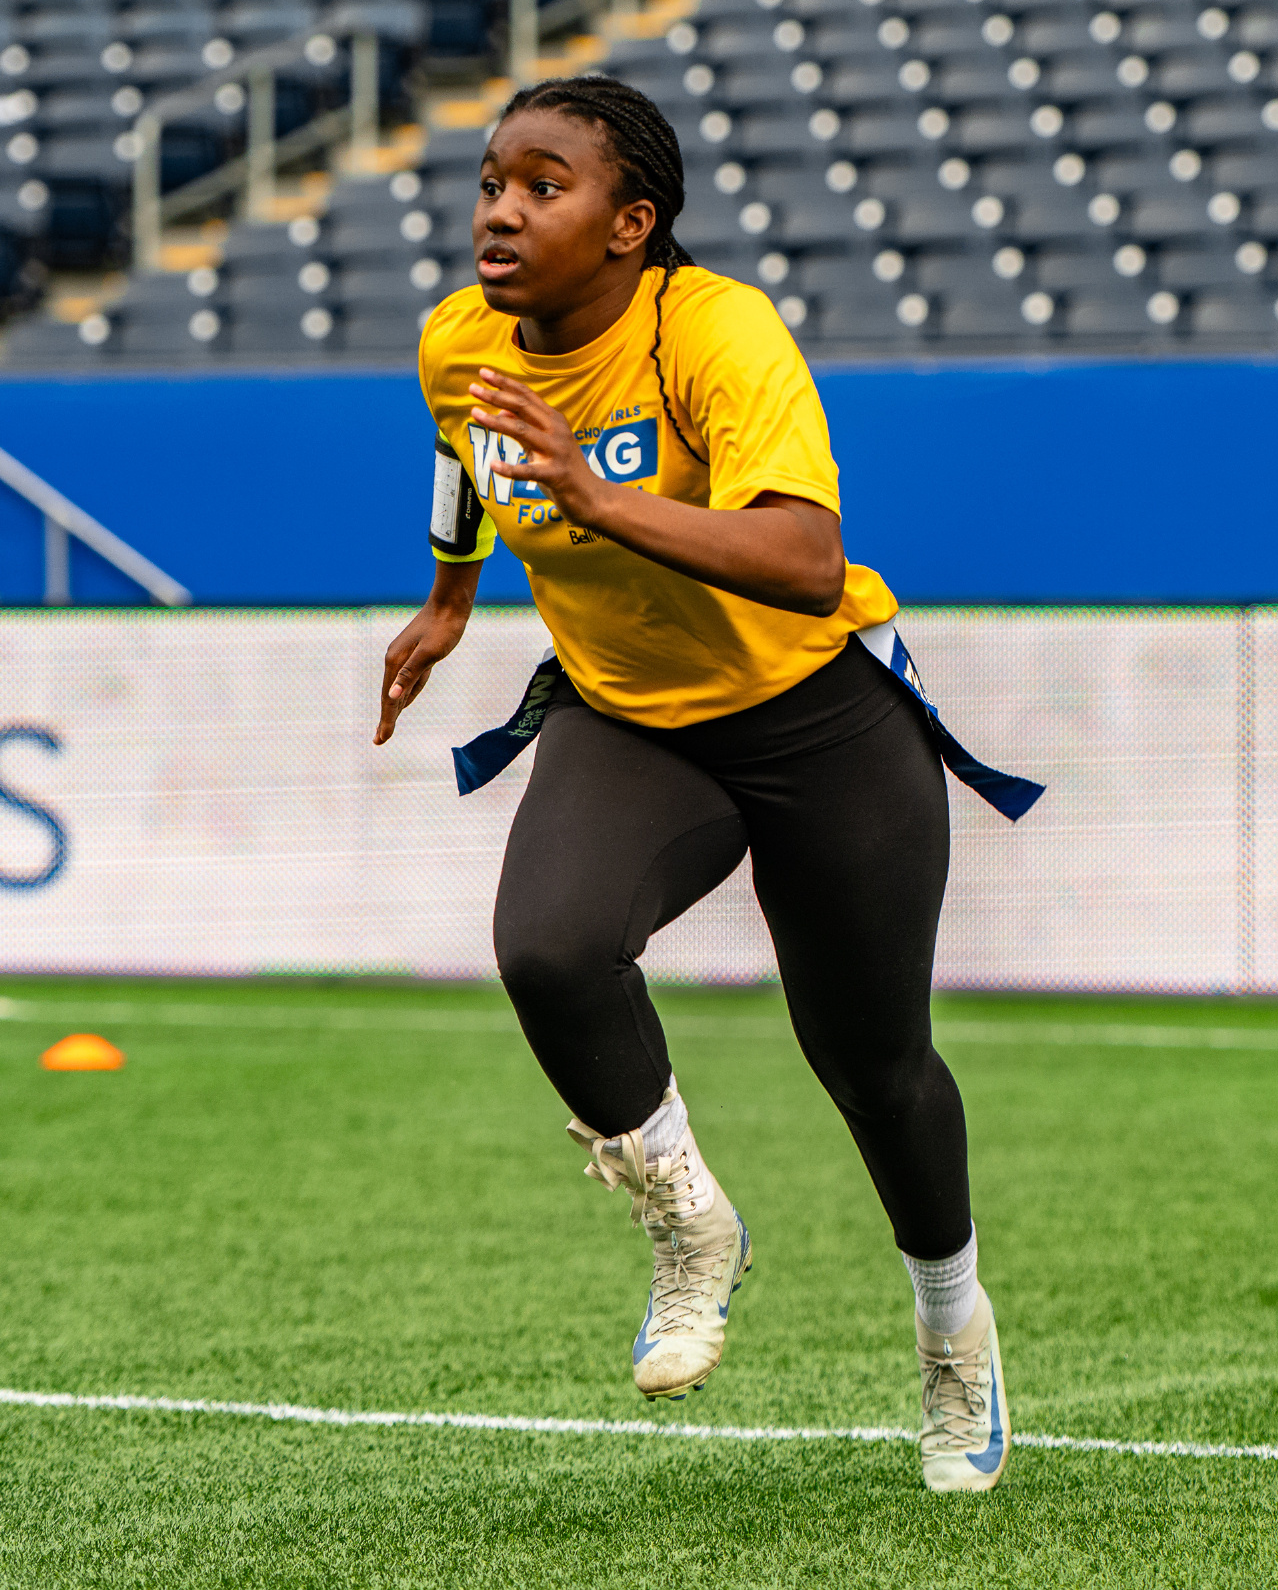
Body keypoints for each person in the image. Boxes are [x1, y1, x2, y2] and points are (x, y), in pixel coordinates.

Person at [375, 74, 1009, 1494]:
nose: (500, 212)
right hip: (632, 717)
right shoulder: (458, 341)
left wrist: (599, 500)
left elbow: (805, 557)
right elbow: (461, 454)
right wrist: (449, 599)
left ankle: (952, 1326)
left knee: (874, 1066)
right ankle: (689, 1224)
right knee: (550, 947)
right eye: (492, 182)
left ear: (631, 223)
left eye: (544, 187)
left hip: (819, 719)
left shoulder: (713, 330)